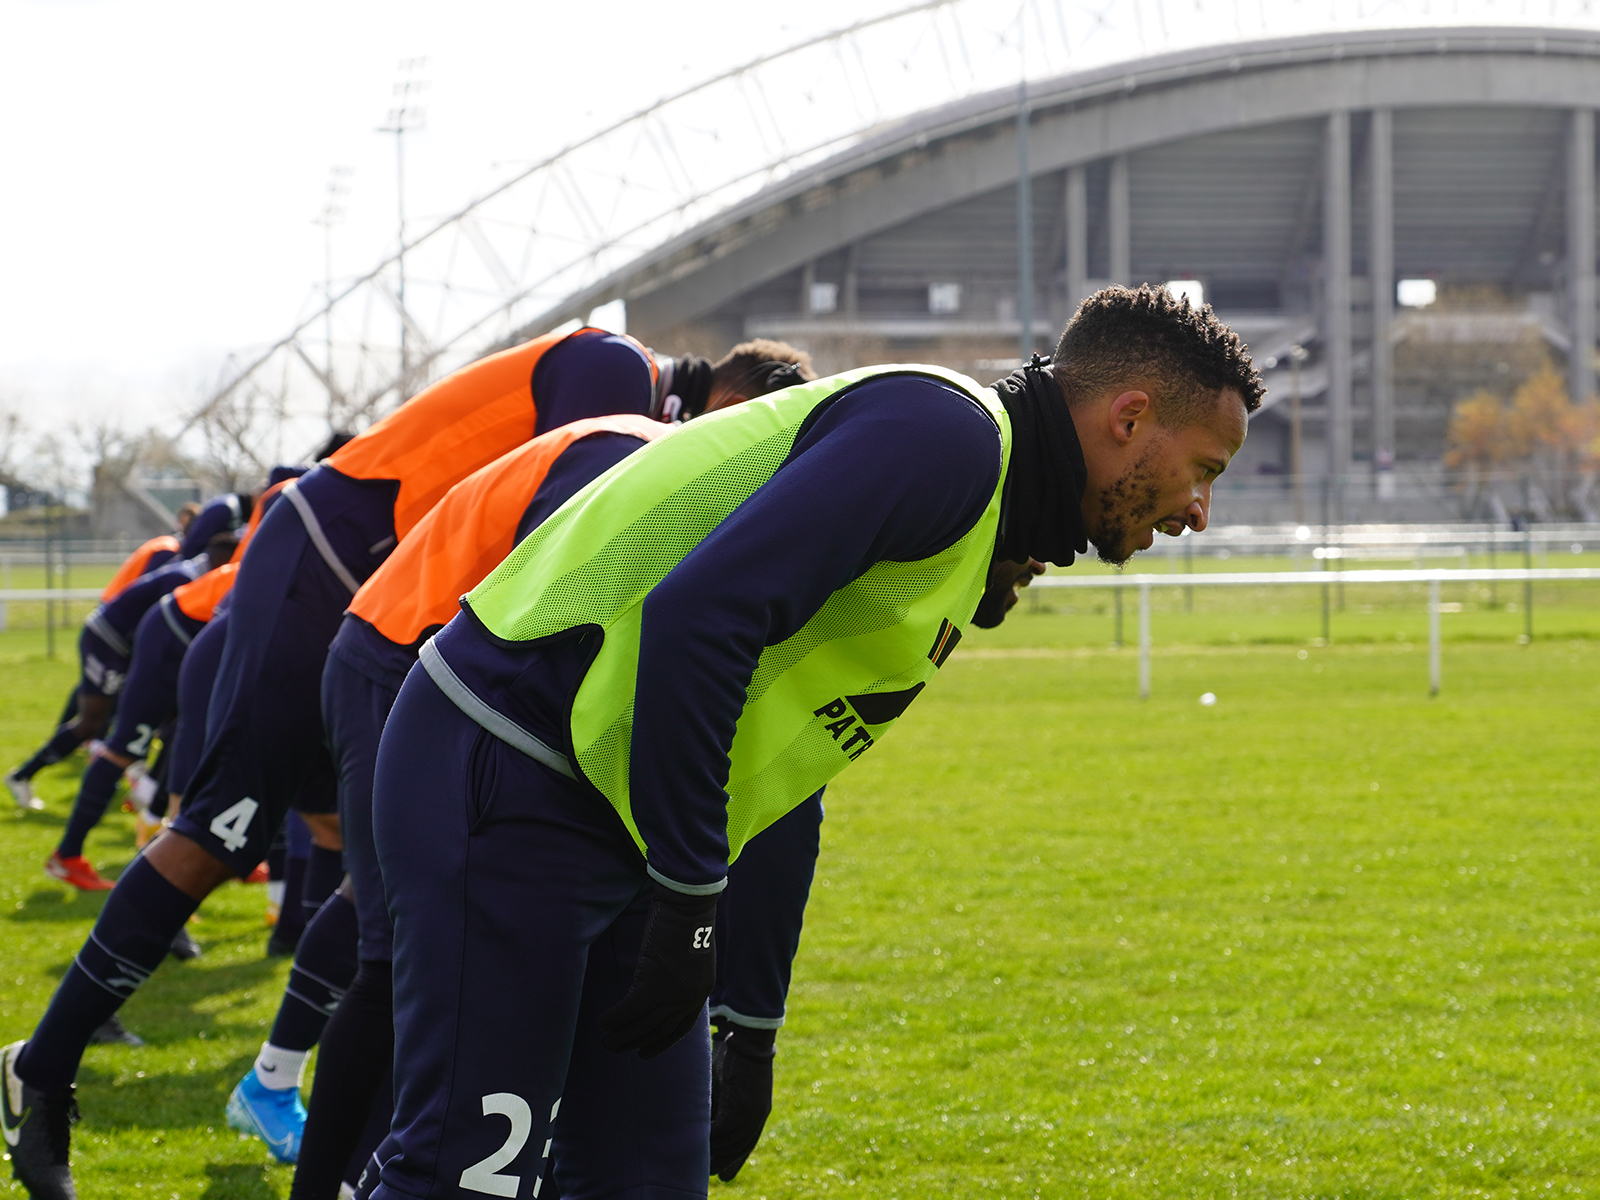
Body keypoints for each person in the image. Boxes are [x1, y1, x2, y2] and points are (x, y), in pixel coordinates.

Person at [352, 285, 1260, 1199]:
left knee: (646, 1183)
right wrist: (694, 896)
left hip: (622, 820)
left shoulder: (977, 511)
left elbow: (780, 768)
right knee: (466, 1180)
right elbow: (694, 626)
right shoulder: (945, 440)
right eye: (1205, 469)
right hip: (512, 767)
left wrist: (749, 1021)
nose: (1199, 511)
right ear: (1130, 416)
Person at [0, 324, 702, 1200]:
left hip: (387, 612)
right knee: (225, 836)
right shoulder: (618, 374)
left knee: (384, 904)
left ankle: (308, 1125)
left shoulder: (641, 399)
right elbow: (561, 538)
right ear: (709, 405)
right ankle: (46, 1067)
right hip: (333, 577)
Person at [44, 482, 290, 887]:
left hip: (190, 631)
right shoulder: (280, 519)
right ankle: (71, 854)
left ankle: (180, 836)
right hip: (172, 634)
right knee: (129, 746)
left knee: (187, 739)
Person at [3, 536, 237, 838]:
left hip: (124, 648)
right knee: (94, 724)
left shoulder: (194, 576)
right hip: (108, 644)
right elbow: (153, 629)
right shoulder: (183, 578)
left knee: (123, 727)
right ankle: (24, 777)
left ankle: (142, 795)